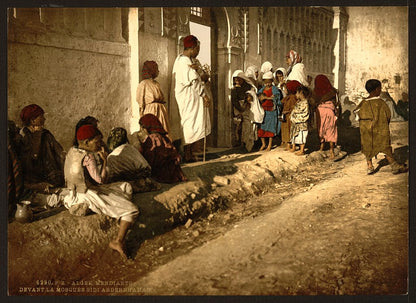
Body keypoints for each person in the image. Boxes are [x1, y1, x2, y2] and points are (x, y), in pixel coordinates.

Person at [64, 124, 139, 259]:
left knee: (126, 186)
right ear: (86, 142)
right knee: (132, 210)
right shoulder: (88, 157)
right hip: (89, 193)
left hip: (74, 193)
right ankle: (118, 241)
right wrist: (104, 161)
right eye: (97, 141)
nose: (99, 144)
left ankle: (118, 213)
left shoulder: (72, 151)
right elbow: (100, 180)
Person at [354, 79, 407, 175]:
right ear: (376, 89)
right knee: (385, 146)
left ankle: (370, 166)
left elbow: (357, 116)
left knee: (367, 146)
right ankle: (394, 165)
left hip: (366, 130)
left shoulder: (362, 103)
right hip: (380, 129)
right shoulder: (381, 102)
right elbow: (388, 115)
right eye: (380, 89)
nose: (380, 91)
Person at [172, 35, 211, 162]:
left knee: (191, 124)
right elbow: (194, 81)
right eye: (197, 49)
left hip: (190, 98)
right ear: (193, 48)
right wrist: (204, 95)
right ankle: (189, 154)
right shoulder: (184, 62)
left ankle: (191, 153)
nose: (198, 52)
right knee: (190, 124)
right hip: (189, 98)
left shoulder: (184, 60)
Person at [18, 104, 65, 194]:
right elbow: (31, 160)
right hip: (31, 180)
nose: (44, 119)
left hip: (50, 176)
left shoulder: (46, 135)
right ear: (33, 121)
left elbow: (60, 154)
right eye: (41, 117)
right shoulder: (22, 137)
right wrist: (37, 137)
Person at [138, 114, 187, 183]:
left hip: (160, 171)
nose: (142, 130)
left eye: (143, 127)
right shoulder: (164, 137)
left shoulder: (152, 139)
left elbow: (150, 157)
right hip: (172, 170)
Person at [106, 127, 154, 192]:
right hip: (140, 183)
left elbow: (111, 177)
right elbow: (147, 168)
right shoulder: (131, 149)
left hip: (122, 186)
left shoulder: (110, 157)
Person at [136, 60, 171, 136]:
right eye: (156, 69)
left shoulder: (157, 84)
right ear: (151, 70)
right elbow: (140, 101)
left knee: (164, 133)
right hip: (151, 111)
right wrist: (142, 116)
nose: (158, 71)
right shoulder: (143, 84)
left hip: (161, 111)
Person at [314, 75, 339, 159]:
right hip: (330, 111)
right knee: (331, 130)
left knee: (321, 129)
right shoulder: (333, 91)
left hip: (320, 112)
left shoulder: (316, 91)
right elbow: (337, 104)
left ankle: (321, 147)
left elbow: (314, 102)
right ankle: (331, 151)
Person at [257, 71, 282, 151]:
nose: (267, 84)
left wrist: (266, 98)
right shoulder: (262, 89)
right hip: (264, 112)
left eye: (269, 82)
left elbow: (276, 97)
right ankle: (264, 144)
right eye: (266, 82)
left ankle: (270, 145)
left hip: (271, 112)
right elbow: (259, 97)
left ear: (272, 81)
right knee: (262, 129)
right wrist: (268, 97)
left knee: (271, 129)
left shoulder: (274, 89)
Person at [231, 69, 254, 147]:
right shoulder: (234, 89)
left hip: (247, 108)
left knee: (247, 126)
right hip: (238, 109)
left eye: (239, 79)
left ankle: (246, 142)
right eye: (236, 79)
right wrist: (240, 109)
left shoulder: (247, 87)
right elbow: (234, 101)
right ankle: (239, 141)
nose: (237, 80)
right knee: (238, 126)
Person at [280, 80, 302, 150]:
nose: (285, 90)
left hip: (290, 117)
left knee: (290, 131)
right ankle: (288, 145)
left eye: (286, 89)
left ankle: (292, 145)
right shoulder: (288, 97)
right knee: (286, 131)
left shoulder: (292, 98)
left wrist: (287, 111)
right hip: (286, 117)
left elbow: (293, 107)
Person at [290, 85, 310, 155]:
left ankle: (302, 150)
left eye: (297, 93)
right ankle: (294, 147)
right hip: (296, 122)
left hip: (301, 122)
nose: (296, 95)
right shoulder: (299, 102)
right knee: (295, 135)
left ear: (301, 93)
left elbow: (302, 112)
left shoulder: (305, 103)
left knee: (301, 136)